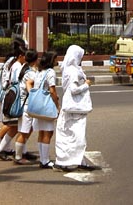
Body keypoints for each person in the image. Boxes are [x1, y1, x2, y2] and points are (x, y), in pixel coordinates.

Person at [54, 44, 96, 172]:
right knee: (76, 136)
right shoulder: (73, 71)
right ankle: (65, 161)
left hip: (70, 107)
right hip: (74, 109)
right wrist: (87, 85)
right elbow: (74, 90)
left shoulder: (68, 68)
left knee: (69, 135)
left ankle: (75, 161)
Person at [0, 38, 27, 159]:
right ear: (20, 54)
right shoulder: (16, 65)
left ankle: (3, 147)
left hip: (10, 95)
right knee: (10, 123)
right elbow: (16, 81)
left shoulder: (11, 62)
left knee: (14, 124)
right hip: (13, 96)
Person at [32, 50, 60, 169]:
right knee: (48, 132)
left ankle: (43, 159)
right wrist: (57, 104)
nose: (57, 61)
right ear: (51, 60)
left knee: (41, 132)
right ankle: (45, 160)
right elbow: (52, 90)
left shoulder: (39, 71)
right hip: (46, 106)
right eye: (55, 59)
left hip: (38, 106)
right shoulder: (50, 72)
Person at [12, 48, 39, 165]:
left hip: (25, 104)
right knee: (24, 132)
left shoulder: (26, 70)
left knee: (27, 129)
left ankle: (21, 152)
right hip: (27, 105)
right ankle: (18, 157)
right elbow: (32, 88)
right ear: (36, 59)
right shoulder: (30, 73)